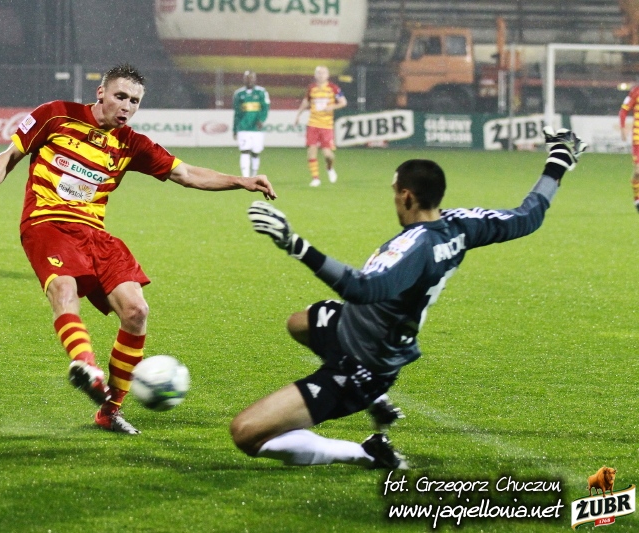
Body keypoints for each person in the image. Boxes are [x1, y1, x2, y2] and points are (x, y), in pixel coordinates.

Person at [230, 128, 586, 469]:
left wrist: (295, 245)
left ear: (407, 197)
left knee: (246, 432)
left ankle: (366, 453)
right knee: (300, 322)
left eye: (395, 192)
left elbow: (362, 288)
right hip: (358, 328)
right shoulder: (460, 224)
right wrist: (558, 161)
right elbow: (528, 217)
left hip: (364, 362)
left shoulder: (417, 249)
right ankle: (376, 399)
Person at [0, 64, 276, 435]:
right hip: (47, 223)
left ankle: (110, 411)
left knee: (137, 311)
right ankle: (85, 364)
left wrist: (241, 181)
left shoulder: (131, 143)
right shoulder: (56, 114)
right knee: (64, 288)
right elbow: (9, 156)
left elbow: (186, 174)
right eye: (120, 96)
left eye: (134, 101)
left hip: (95, 233)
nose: (126, 106)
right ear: (101, 93)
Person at [294, 65, 347, 188]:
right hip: (313, 124)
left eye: (323, 73)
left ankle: (329, 167)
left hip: (326, 125)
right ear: (315, 75)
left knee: (328, 154)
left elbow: (343, 102)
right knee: (311, 150)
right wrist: (298, 115)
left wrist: (332, 107)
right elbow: (306, 102)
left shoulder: (333, 88)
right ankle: (315, 178)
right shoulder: (311, 88)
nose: (321, 75)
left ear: (327, 75)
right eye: (318, 73)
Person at [233, 70, 270, 177]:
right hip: (243, 128)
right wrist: (235, 129)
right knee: (244, 151)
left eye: (251, 78)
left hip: (257, 129)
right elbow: (237, 114)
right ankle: (245, 177)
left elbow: (265, 108)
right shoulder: (238, 94)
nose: (249, 80)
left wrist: (261, 120)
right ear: (244, 79)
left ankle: (253, 175)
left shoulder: (261, 92)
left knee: (255, 153)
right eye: (247, 78)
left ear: (255, 79)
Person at [618, 84, 639, 212]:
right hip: (638, 139)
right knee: (638, 172)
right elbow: (623, 110)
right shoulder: (635, 91)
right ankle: (637, 198)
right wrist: (622, 127)